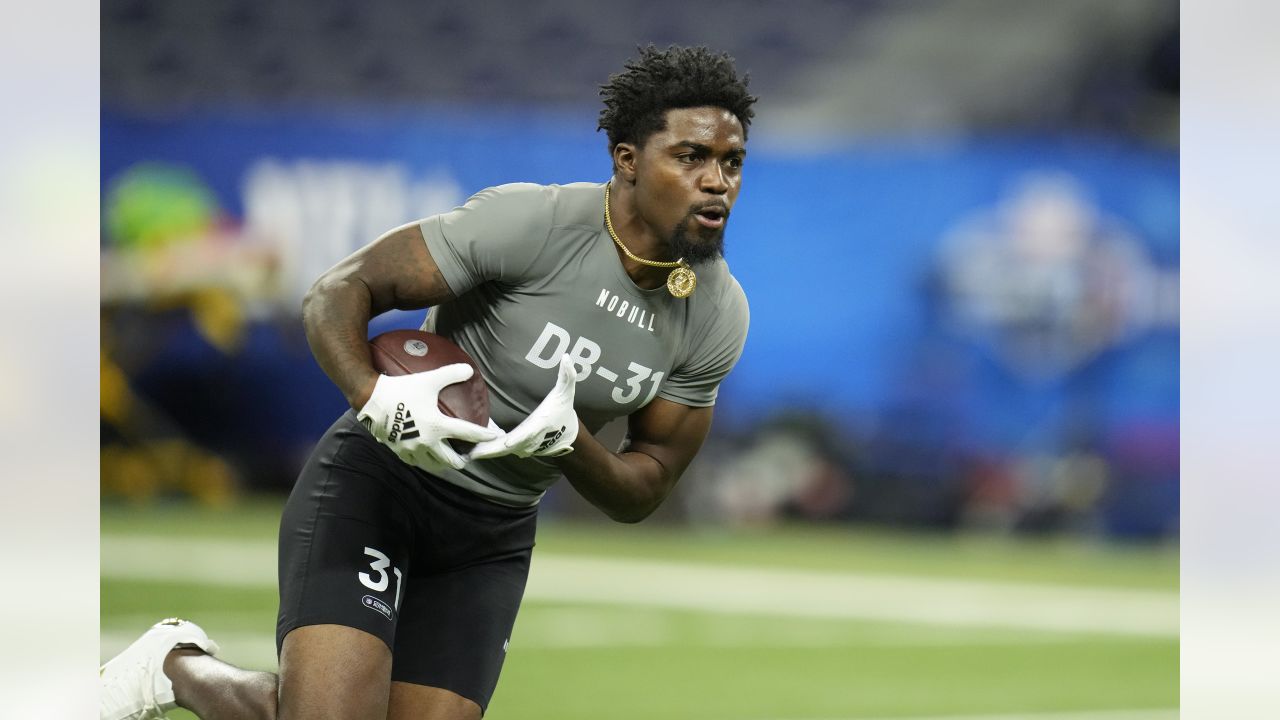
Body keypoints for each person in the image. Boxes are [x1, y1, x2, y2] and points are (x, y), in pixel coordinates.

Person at [101, 44, 756, 720]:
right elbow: (338, 291)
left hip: (491, 534)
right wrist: (376, 396)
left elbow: (644, 487)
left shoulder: (717, 311)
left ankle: (176, 668)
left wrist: (570, 444)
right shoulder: (534, 224)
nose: (718, 181)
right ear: (627, 160)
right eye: (690, 157)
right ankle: (175, 667)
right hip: (382, 484)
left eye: (732, 162)